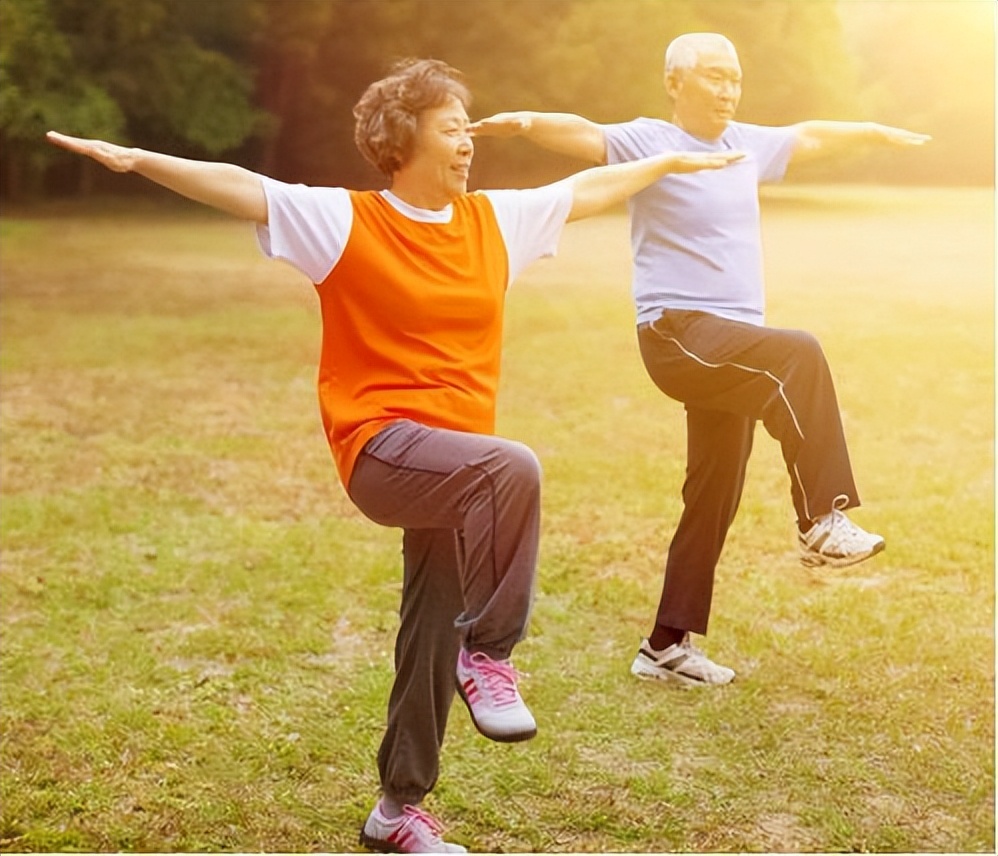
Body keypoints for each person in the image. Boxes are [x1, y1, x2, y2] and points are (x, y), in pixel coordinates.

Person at [47, 58, 742, 852]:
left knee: (429, 628)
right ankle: (492, 655)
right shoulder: (344, 221)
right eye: (451, 129)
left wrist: (671, 159)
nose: (467, 144)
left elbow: (588, 192)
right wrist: (135, 159)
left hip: (456, 472)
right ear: (404, 138)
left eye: (467, 129)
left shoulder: (494, 222)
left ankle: (397, 808)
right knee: (512, 466)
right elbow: (239, 185)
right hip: (381, 450)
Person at [471, 33, 930, 690]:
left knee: (714, 492)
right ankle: (822, 519)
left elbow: (811, 135)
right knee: (797, 355)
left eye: (735, 78)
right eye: (714, 76)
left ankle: (664, 646)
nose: (727, 89)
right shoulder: (649, 141)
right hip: (678, 332)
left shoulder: (746, 145)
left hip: (730, 349)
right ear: (675, 81)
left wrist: (873, 133)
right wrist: (525, 123)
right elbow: (583, 134)